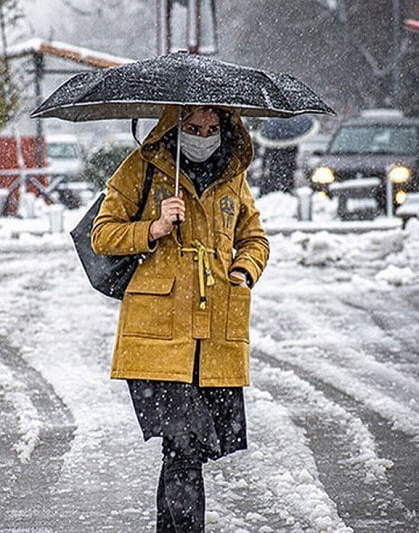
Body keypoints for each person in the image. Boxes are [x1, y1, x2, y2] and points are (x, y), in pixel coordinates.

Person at [91, 104, 269, 532]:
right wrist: (152, 228)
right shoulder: (143, 168)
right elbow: (102, 234)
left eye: (211, 128)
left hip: (214, 339)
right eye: (192, 127)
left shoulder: (232, 176)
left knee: (184, 450)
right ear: (175, 126)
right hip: (158, 336)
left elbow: (255, 238)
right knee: (185, 445)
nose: (202, 136)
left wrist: (244, 271)